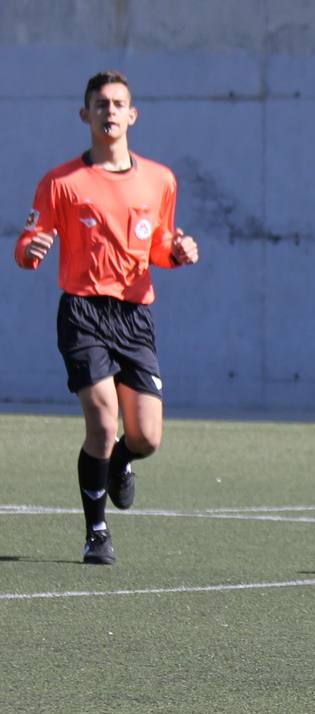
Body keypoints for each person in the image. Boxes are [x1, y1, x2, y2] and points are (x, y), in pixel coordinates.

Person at [13, 70, 199, 564]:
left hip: (135, 316)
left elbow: (157, 245)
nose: (110, 111)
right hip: (82, 311)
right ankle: (97, 532)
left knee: (147, 437)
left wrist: (176, 252)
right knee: (102, 417)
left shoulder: (161, 179)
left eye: (118, 103)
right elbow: (25, 246)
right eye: (101, 104)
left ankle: (121, 461)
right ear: (85, 115)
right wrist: (31, 250)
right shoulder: (60, 182)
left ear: (132, 115)